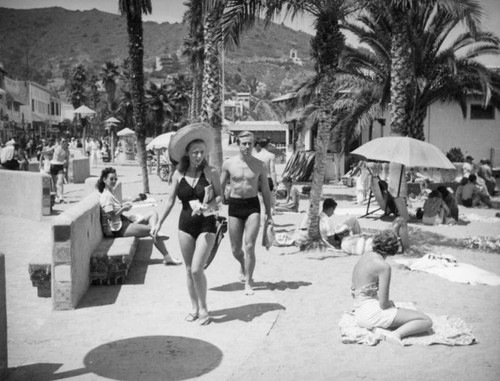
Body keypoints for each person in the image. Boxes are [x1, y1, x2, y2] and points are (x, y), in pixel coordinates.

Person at [152, 123, 222, 325]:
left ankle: (204, 309)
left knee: (196, 269)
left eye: (201, 152)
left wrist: (208, 208)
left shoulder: (211, 173)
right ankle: (194, 307)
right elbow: (170, 200)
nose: (198, 156)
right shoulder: (178, 175)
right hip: (185, 225)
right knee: (189, 268)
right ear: (187, 154)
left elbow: (220, 198)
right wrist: (159, 224)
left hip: (206, 224)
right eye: (195, 152)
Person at [351, 230, 433, 345]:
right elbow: (383, 304)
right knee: (426, 321)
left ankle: (379, 328)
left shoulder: (366, 256)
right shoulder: (383, 266)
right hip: (369, 314)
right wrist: (391, 304)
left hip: (359, 311)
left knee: (398, 310)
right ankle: (395, 334)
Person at [221, 131, 273, 295]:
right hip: (235, 206)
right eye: (243, 143)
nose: (247, 146)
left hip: (252, 206)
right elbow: (219, 186)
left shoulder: (260, 165)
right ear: (238, 144)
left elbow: (265, 189)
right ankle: (243, 265)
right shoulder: (229, 164)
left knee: (249, 246)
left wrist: (269, 213)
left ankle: (248, 282)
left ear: (253, 144)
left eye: (250, 143)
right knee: (236, 249)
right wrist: (220, 200)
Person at [41, 138, 70, 203]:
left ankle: (61, 197)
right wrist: (43, 152)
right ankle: (56, 196)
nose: (64, 142)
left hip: (60, 166)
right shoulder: (56, 147)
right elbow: (47, 151)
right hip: (53, 165)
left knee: (60, 182)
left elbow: (67, 161)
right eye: (63, 141)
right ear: (60, 142)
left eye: (65, 141)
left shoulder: (67, 151)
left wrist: (67, 173)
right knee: (54, 183)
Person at [254, 138, 277, 213]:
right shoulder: (271, 155)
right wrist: (275, 184)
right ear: (268, 145)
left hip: (259, 180)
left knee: (261, 204)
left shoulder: (255, 156)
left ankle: (263, 223)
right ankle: (269, 221)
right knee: (269, 202)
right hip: (268, 179)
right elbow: (272, 171)